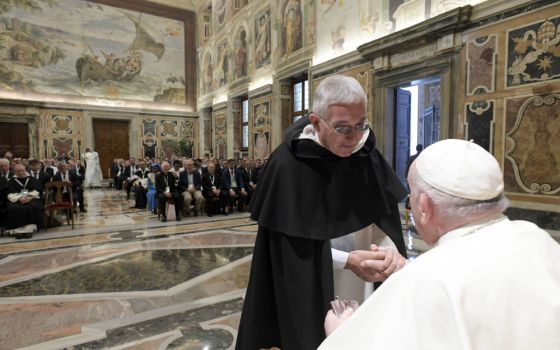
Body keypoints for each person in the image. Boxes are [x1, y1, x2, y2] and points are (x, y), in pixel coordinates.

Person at [320, 139, 560, 349]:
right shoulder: (536, 237)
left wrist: (341, 335)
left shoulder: (425, 278)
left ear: (424, 206)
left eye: (411, 195)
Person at [236, 75, 408, 350]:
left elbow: (383, 219)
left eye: (360, 125)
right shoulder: (287, 165)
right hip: (312, 280)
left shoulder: (366, 154)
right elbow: (288, 249)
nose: (354, 138)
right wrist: (347, 260)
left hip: (367, 275)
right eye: (343, 128)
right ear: (316, 122)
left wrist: (388, 252)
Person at [4, 164, 43, 239]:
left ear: (25, 170)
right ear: (15, 172)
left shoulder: (32, 179)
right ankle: (17, 232)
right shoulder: (11, 181)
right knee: (13, 208)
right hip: (16, 200)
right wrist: (19, 198)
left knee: (32, 207)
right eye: (18, 171)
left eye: (22, 170)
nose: (21, 172)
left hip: (31, 199)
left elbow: (38, 190)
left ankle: (29, 231)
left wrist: (29, 197)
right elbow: (8, 194)